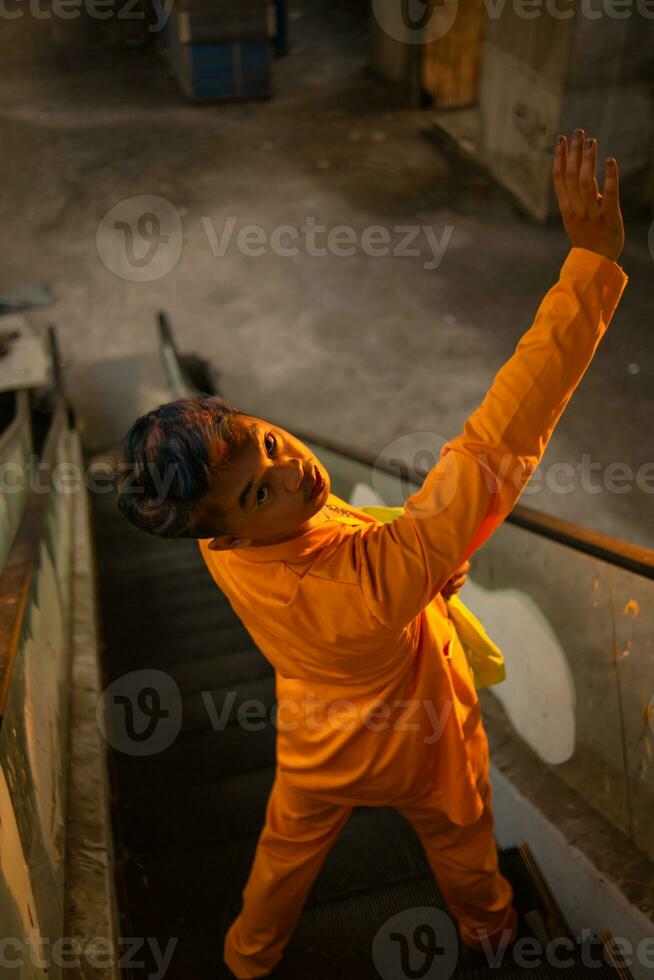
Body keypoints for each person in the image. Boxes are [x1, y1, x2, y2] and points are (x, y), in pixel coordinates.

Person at [117, 130, 627, 980]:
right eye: (258, 491)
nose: (294, 471)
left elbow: (364, 551)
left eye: (272, 444)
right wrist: (590, 266)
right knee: (462, 837)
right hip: (422, 736)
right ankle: (494, 934)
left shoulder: (223, 546)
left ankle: (247, 957)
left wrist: (426, 575)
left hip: (314, 738)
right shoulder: (380, 578)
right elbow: (496, 442)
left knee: (287, 847)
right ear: (231, 531)